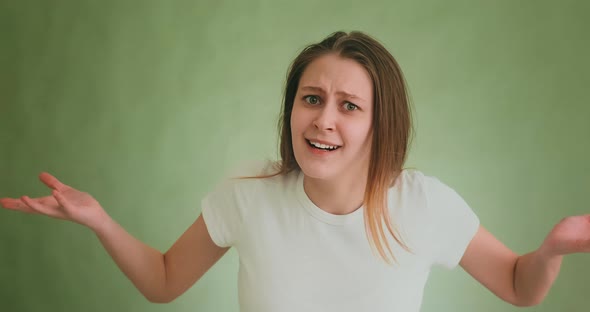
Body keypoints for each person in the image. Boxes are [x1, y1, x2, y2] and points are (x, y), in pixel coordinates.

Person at [1, 31, 589, 312]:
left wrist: (553, 249)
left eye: (348, 106)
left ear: (381, 125)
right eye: (311, 99)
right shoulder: (248, 197)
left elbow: (518, 287)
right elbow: (162, 282)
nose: (323, 120)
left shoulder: (423, 205)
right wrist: (99, 219)